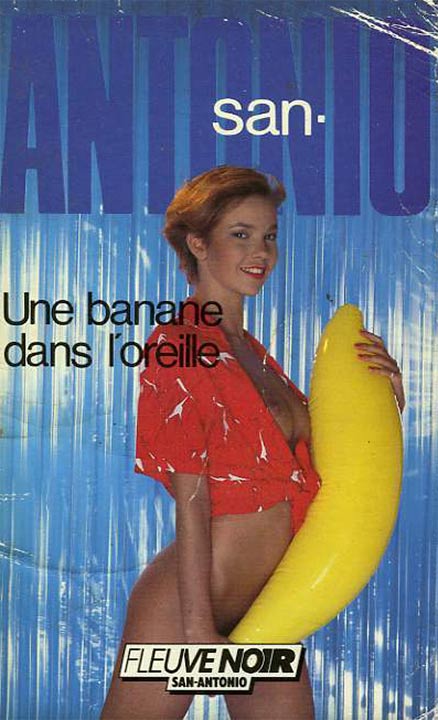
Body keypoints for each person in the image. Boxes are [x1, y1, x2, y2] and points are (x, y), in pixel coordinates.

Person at [101, 166, 405, 720]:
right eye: (240, 234)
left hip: (271, 604)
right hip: (189, 604)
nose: (260, 251)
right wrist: (197, 625)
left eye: (268, 236)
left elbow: (332, 465)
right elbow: (192, 495)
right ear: (198, 244)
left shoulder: (256, 357)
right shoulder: (179, 344)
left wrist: (385, 395)